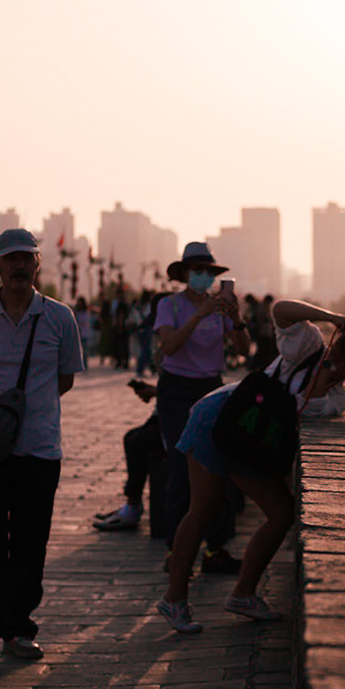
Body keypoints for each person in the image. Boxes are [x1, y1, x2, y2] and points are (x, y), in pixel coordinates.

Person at [157, 299, 345, 633]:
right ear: (342, 337)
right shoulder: (308, 344)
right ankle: (175, 598)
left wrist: (330, 371)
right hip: (220, 417)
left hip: (252, 438)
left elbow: (304, 406)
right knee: (203, 509)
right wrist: (332, 319)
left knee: (282, 513)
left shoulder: (339, 398)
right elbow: (281, 310)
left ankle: (243, 593)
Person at [0, 229, 85, 669]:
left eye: (27, 259)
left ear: (38, 264)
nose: (19, 267)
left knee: (31, 543)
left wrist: (27, 414)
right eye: (11, 260)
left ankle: (19, 627)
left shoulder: (59, 318)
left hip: (40, 450)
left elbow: (64, 380)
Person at [152, 242, 248, 570]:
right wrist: (198, 316)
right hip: (177, 391)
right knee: (182, 467)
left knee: (218, 466)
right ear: (185, 274)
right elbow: (169, 347)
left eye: (208, 272)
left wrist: (236, 319)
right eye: (198, 271)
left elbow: (244, 350)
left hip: (211, 388)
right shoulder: (170, 306)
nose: (203, 277)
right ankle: (175, 550)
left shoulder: (219, 308)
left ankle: (215, 548)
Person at [93, 379, 165, 535]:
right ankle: (132, 503)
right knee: (132, 438)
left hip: (178, 418)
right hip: (167, 414)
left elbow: (187, 388)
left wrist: (155, 392)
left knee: (136, 442)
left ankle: (132, 506)